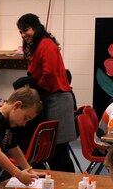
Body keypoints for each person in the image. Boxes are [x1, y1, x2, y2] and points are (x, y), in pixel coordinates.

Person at [17, 13, 77, 171]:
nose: (23, 35)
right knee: (52, 149)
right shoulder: (36, 46)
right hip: (49, 97)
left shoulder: (46, 44)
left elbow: (49, 74)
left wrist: (35, 93)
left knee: (59, 149)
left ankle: (69, 184)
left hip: (58, 99)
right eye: (20, 32)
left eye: (26, 30)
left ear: (36, 27)